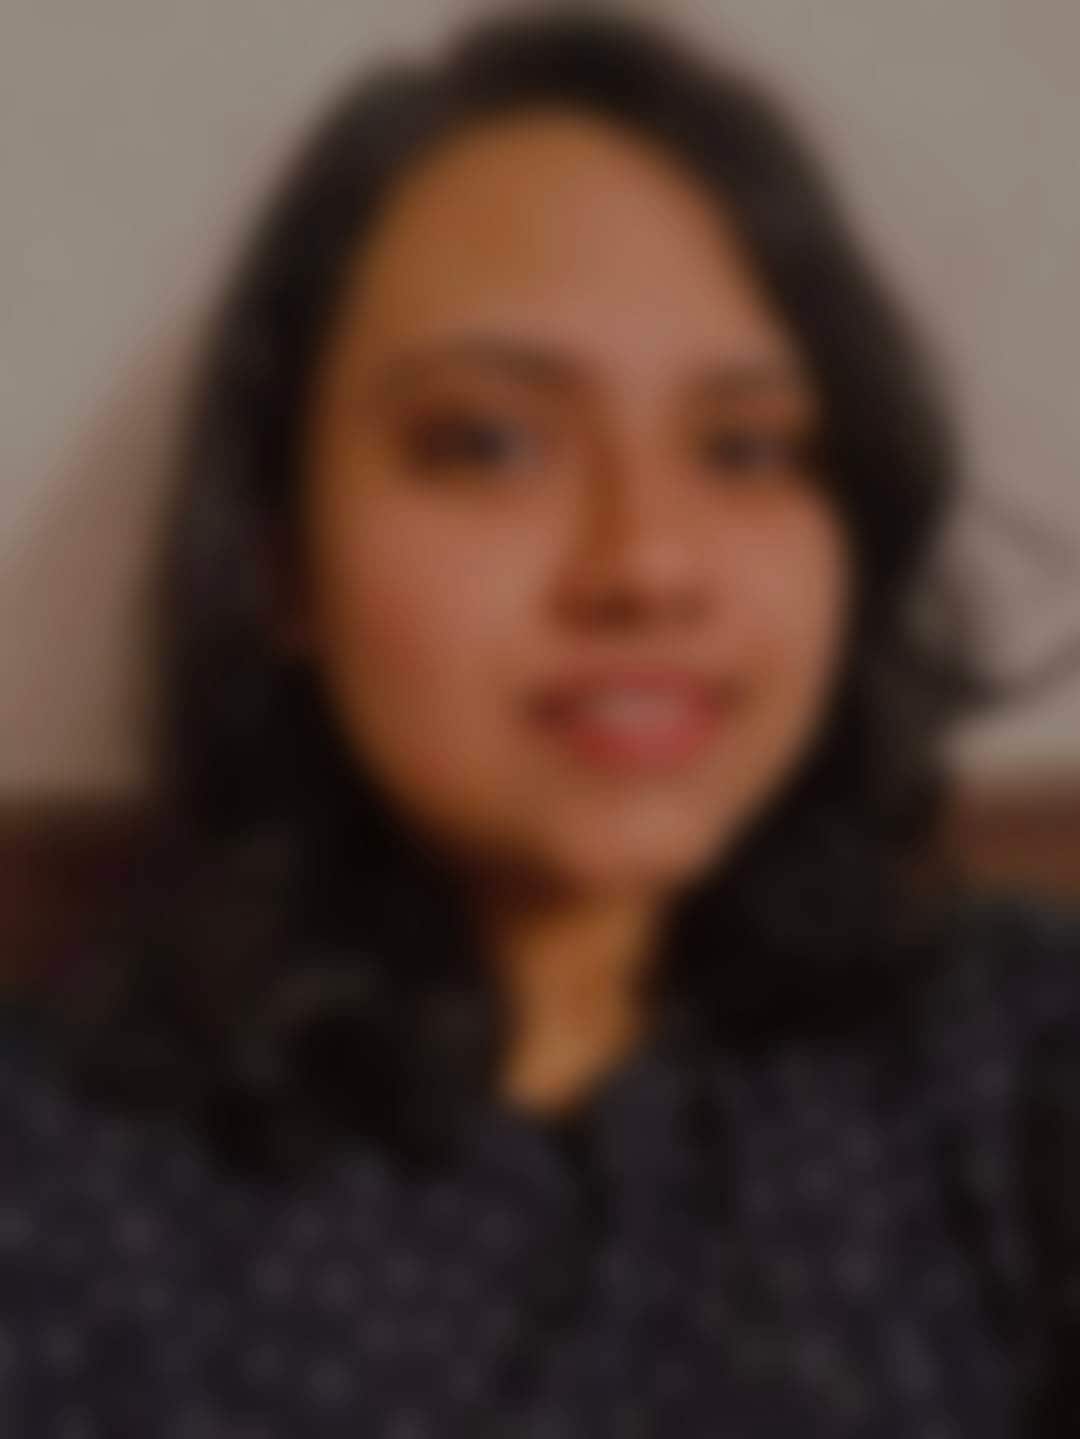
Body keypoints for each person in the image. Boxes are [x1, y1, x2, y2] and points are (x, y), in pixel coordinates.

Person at [2, 8, 1078, 1436]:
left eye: (744, 447)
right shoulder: (59, 1189)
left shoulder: (1014, 1060)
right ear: (279, 556)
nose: (649, 563)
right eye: (488, 441)